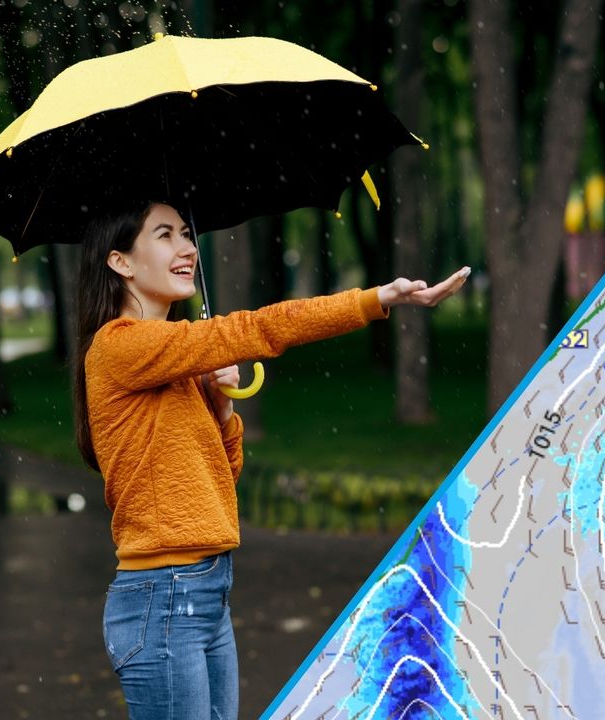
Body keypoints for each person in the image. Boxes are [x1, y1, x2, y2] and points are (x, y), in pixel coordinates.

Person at [73, 199, 470, 720]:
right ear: (120, 262)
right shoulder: (119, 347)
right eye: (165, 235)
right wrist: (374, 300)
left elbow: (221, 477)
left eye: (188, 234)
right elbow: (259, 329)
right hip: (164, 597)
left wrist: (220, 409)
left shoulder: (175, 358)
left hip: (203, 592)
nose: (188, 248)